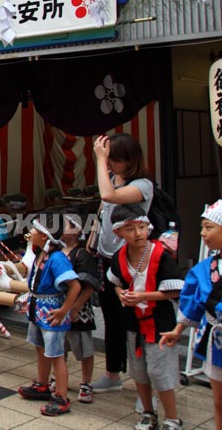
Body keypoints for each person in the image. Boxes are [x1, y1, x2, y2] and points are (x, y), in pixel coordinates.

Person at [107, 205, 184, 430]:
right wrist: (123, 296)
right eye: (130, 229)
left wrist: (143, 295)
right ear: (118, 233)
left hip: (160, 322)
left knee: (160, 371)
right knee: (139, 370)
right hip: (133, 322)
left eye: (141, 227)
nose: (138, 233)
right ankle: (149, 414)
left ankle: (172, 418)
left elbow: (174, 290)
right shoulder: (119, 256)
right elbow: (116, 284)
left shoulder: (160, 254)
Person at [90, 133, 154, 393]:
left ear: (130, 160)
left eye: (115, 160)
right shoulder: (115, 179)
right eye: (109, 159)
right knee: (112, 319)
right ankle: (112, 374)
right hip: (107, 259)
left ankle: (147, 386)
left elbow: (108, 196)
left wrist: (99, 159)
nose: (110, 165)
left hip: (133, 263)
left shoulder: (143, 186)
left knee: (136, 323)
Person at [160, 199, 222, 430]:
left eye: (209, 227)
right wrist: (178, 331)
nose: (203, 233)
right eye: (202, 227)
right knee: (219, 401)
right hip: (217, 341)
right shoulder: (203, 269)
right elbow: (192, 303)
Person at [18, 217, 81, 417]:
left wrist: (64, 310)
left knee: (56, 355)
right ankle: (42, 385)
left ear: (44, 235)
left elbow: (75, 286)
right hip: (38, 309)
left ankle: (61, 396)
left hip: (52, 311)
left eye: (35, 230)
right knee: (41, 349)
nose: (31, 232)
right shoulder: (41, 254)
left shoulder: (57, 258)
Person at [59, 213, 100, 404]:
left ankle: (86, 382)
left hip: (79, 310)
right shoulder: (56, 252)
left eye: (65, 225)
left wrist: (75, 307)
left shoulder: (82, 254)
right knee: (60, 347)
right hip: (59, 307)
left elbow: (89, 285)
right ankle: (59, 377)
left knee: (84, 348)